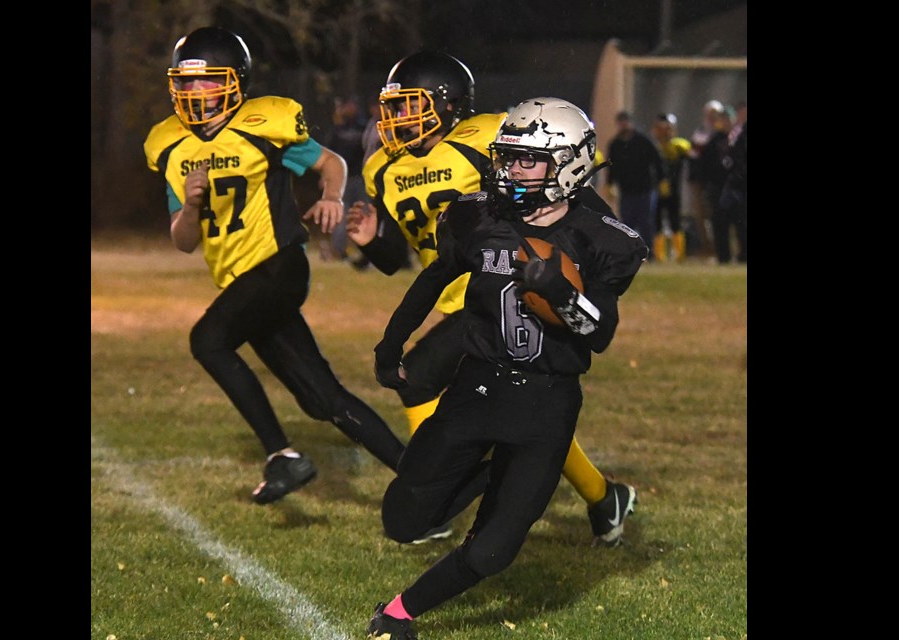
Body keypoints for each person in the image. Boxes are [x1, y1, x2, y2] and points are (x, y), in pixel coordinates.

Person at [364, 97, 648, 639]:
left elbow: (601, 333)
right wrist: (391, 342)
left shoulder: (601, 238)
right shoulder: (479, 217)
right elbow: (433, 278)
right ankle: (491, 465)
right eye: (507, 158)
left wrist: (560, 293)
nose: (510, 171)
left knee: (493, 551)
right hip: (477, 386)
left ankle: (400, 613)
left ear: (569, 165)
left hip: (547, 401)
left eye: (526, 161)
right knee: (402, 520)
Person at [346, 52, 637, 546]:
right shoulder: (383, 169)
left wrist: (590, 241)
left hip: (509, 289)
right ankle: (603, 498)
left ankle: (433, 497)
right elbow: (400, 258)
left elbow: (563, 185)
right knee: (517, 412)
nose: (395, 120)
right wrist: (374, 240)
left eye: (408, 107)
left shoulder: (484, 136)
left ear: (448, 104)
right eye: (392, 109)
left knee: (419, 381)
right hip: (461, 293)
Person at [142, 26, 407, 505]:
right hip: (244, 282)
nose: (194, 92)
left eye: (206, 82)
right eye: (186, 82)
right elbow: (183, 240)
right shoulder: (170, 145)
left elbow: (331, 164)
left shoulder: (262, 123)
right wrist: (192, 205)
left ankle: (280, 455)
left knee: (208, 338)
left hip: (278, 265)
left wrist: (330, 198)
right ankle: (421, 477)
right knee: (322, 399)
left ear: (235, 82)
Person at [606, 111, 664, 260]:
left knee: (646, 222)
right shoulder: (615, 145)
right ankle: (631, 253)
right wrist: (609, 184)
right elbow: (611, 167)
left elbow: (657, 161)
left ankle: (649, 253)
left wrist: (662, 180)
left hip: (646, 189)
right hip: (626, 190)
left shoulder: (643, 141)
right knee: (627, 223)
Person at [322, 95, 368, 262]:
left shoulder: (362, 126)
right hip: (342, 178)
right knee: (341, 215)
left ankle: (366, 251)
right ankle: (339, 250)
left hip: (360, 177)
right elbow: (329, 153)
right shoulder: (337, 128)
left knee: (363, 215)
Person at [685, 100, 725, 256]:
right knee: (701, 216)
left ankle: (723, 249)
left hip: (717, 182)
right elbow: (694, 158)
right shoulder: (699, 133)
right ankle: (708, 249)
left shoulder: (723, 135)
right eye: (709, 114)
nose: (711, 118)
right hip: (699, 182)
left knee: (720, 216)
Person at [650, 113, 692, 262]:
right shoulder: (653, 147)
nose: (664, 132)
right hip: (656, 190)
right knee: (657, 221)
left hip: (675, 189)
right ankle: (659, 255)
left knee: (675, 221)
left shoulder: (678, 146)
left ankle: (679, 255)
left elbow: (691, 156)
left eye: (667, 128)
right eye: (661, 129)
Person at [714, 101, 747, 264]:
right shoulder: (721, 137)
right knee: (724, 220)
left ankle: (743, 255)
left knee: (742, 223)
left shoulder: (739, 134)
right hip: (731, 185)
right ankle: (725, 256)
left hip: (739, 184)